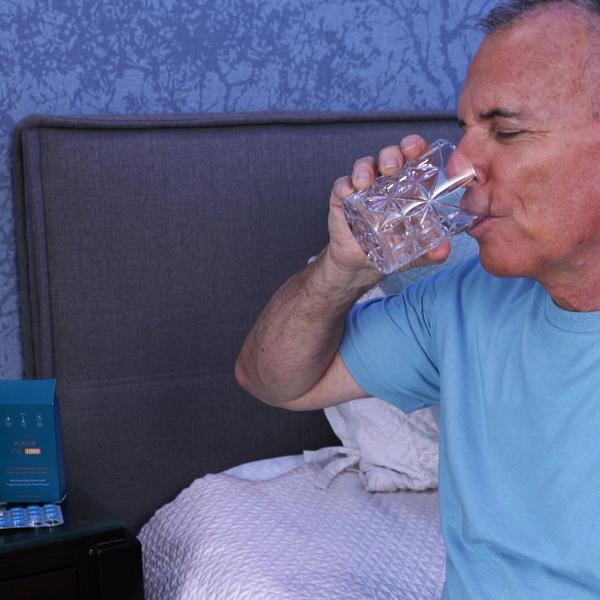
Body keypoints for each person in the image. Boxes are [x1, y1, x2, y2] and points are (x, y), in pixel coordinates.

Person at [235, 0, 600, 597]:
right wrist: (343, 269)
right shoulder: (464, 300)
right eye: (465, 131)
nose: (460, 166)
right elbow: (275, 381)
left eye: (506, 131)